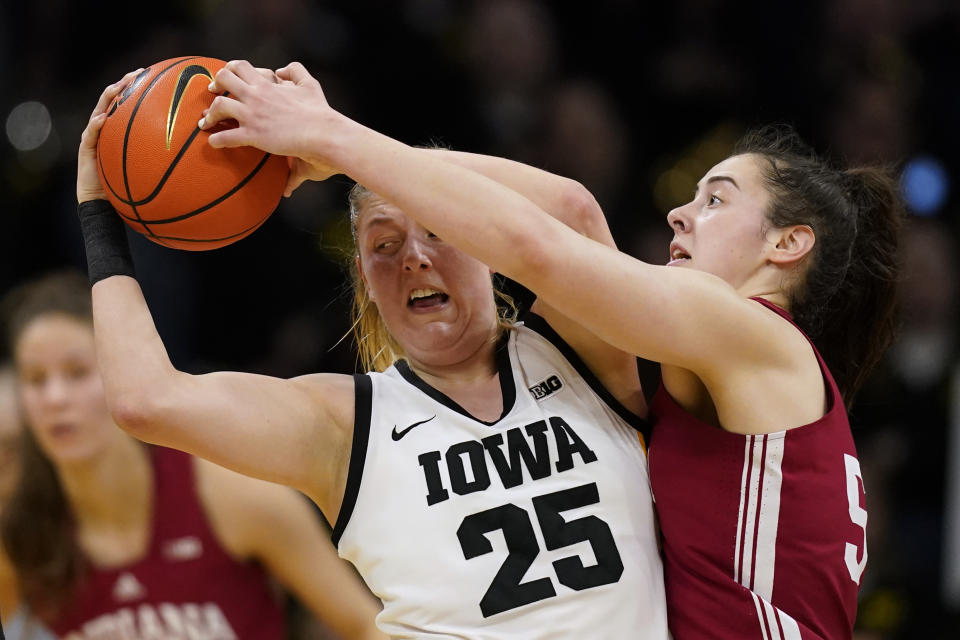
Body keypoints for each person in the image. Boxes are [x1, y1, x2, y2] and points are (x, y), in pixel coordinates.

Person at [191, 60, 903, 639]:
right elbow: (567, 211)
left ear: (788, 244)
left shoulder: (745, 331)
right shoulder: (724, 360)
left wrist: (336, 137)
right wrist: (347, 155)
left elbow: (539, 246)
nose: (680, 212)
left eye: (716, 200)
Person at [76, 69, 669, 639]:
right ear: (363, 276)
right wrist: (98, 215)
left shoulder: (579, 352)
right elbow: (144, 400)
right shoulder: (345, 423)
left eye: (438, 229)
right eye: (385, 245)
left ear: (489, 245)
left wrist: (337, 142)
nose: (413, 257)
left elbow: (572, 212)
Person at [0, 269, 386, 640]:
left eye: (77, 372)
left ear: (119, 375)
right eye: (35, 380)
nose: (55, 399)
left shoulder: (232, 494)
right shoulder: (20, 531)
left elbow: (367, 626)